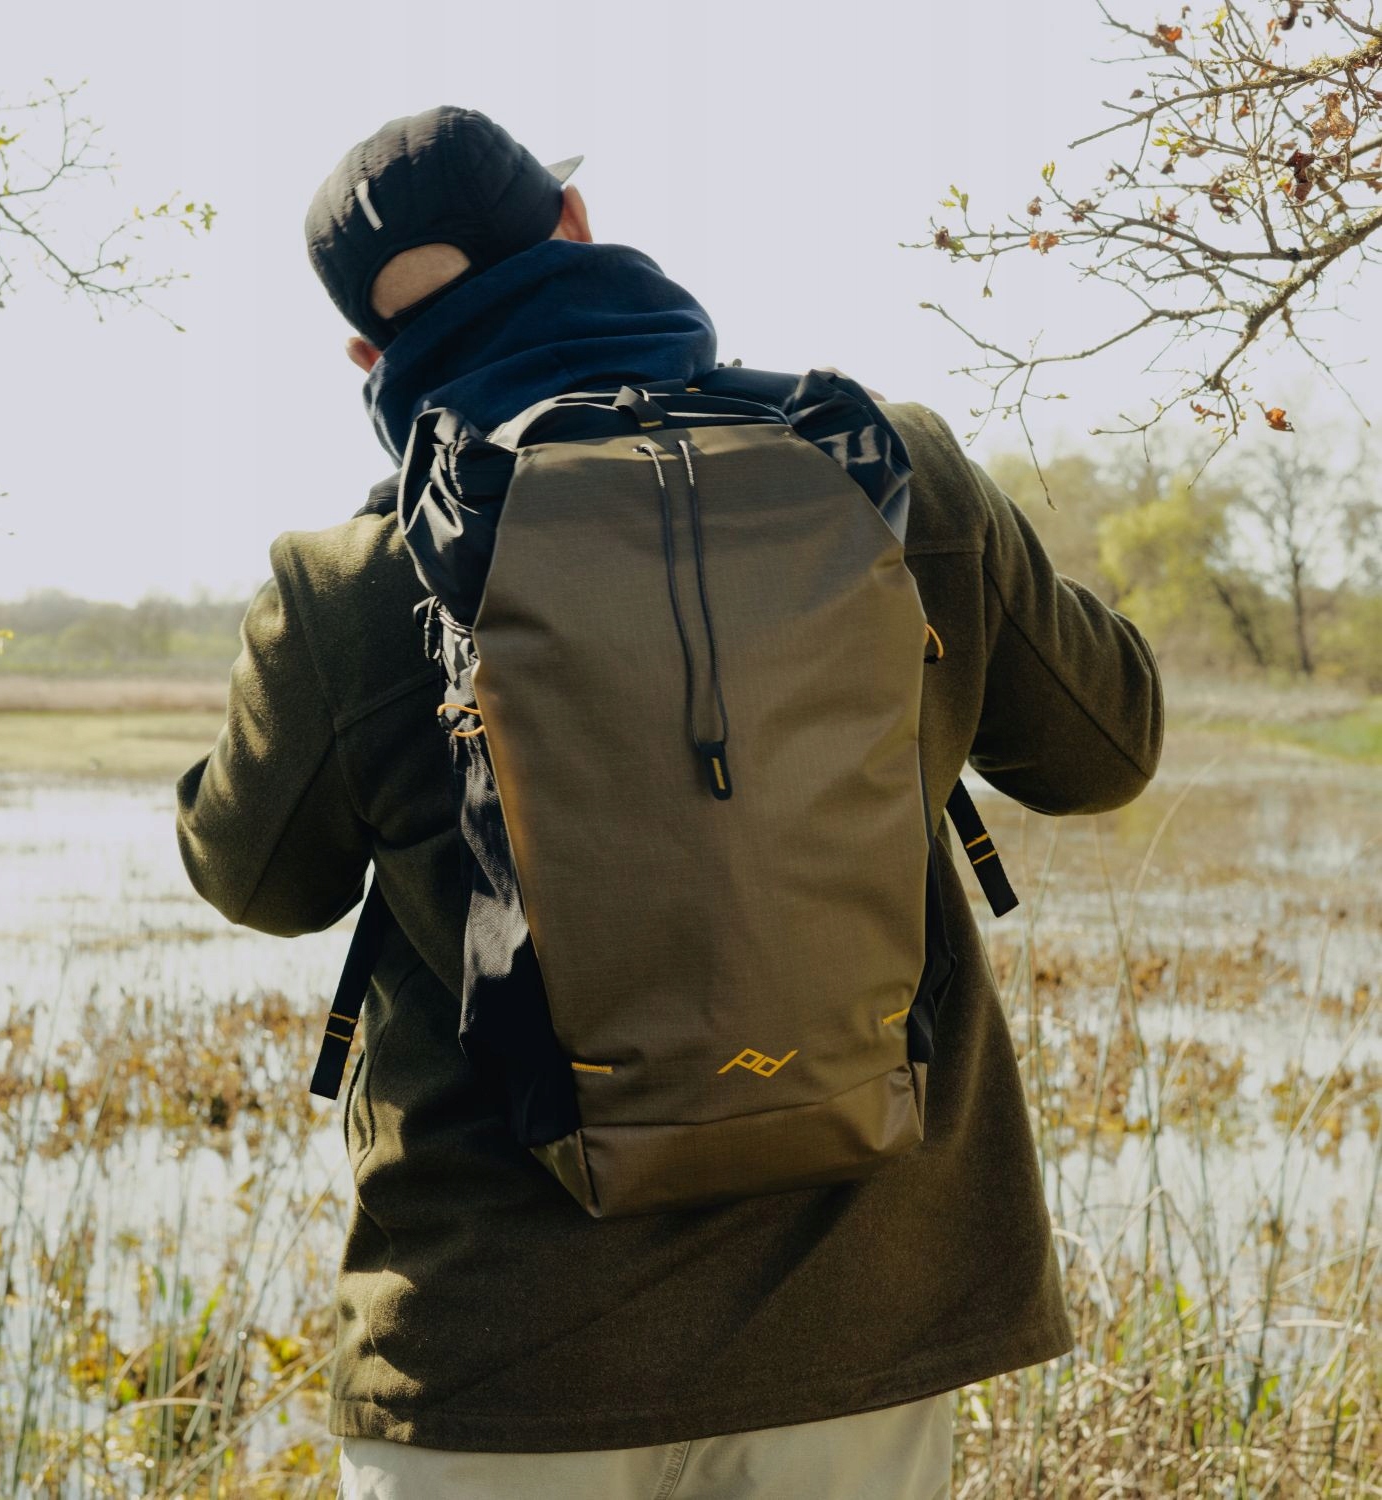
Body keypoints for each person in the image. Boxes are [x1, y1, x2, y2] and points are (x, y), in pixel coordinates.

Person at [174, 105, 1164, 1500]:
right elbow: (1107, 753)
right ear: (577, 229)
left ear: (366, 355)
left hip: (503, 1361)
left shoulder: (344, 586)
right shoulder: (898, 471)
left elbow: (256, 882)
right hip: (859, 1320)